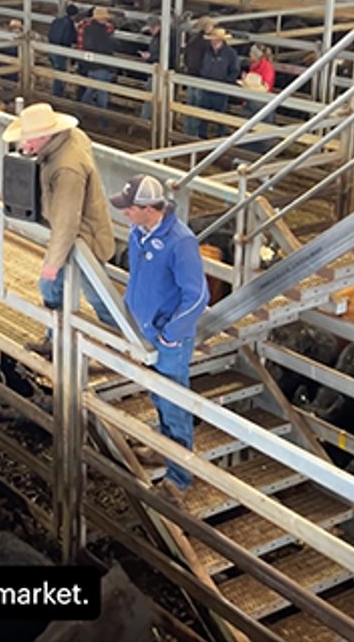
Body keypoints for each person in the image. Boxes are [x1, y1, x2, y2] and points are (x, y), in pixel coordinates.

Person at [110, 174, 209, 498]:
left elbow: (196, 296)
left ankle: (179, 477)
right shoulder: (141, 232)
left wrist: (172, 334)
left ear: (148, 209)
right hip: (146, 330)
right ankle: (164, 447)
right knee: (157, 395)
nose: (125, 213)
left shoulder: (180, 242)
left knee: (174, 403)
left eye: (129, 208)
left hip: (167, 338)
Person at [0, 104, 117, 358]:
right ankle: (55, 339)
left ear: (44, 137)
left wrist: (53, 263)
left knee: (96, 295)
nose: (23, 146)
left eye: (28, 140)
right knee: (55, 289)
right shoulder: (71, 138)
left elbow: (67, 221)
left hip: (85, 238)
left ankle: (123, 346)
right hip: (75, 233)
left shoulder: (67, 168)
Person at [191, 28, 241, 139]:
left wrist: (226, 82)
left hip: (220, 89)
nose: (212, 41)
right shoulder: (207, 50)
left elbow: (235, 71)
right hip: (207, 87)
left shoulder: (230, 54)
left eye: (215, 39)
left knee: (220, 116)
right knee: (203, 115)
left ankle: (220, 137)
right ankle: (202, 136)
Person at [78, 7, 116, 127]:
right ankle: (103, 121)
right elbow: (107, 48)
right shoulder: (103, 32)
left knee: (90, 90)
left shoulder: (87, 29)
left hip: (91, 65)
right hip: (102, 66)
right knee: (102, 94)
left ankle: (80, 111)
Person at [140, 15, 180, 121]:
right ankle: (153, 120)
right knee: (154, 97)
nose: (151, 31)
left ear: (157, 26)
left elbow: (166, 56)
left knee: (151, 97)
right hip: (158, 71)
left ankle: (145, 120)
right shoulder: (162, 37)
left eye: (152, 28)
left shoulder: (164, 38)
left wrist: (150, 57)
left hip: (160, 72)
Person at [182, 16, 215, 136]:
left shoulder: (193, 40)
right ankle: (195, 133)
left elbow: (186, 56)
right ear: (206, 27)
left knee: (190, 103)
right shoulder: (206, 43)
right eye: (211, 26)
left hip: (191, 74)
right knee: (198, 105)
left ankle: (187, 130)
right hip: (200, 76)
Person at [237, 72, 275, 154]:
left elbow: (247, 123)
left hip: (256, 142)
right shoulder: (263, 101)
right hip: (263, 139)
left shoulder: (252, 103)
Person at [47, 4, 79, 98]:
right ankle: (57, 94)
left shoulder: (57, 20)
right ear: (75, 15)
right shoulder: (69, 24)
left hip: (51, 47)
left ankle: (57, 92)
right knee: (60, 72)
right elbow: (69, 38)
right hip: (61, 49)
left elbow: (50, 33)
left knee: (57, 71)